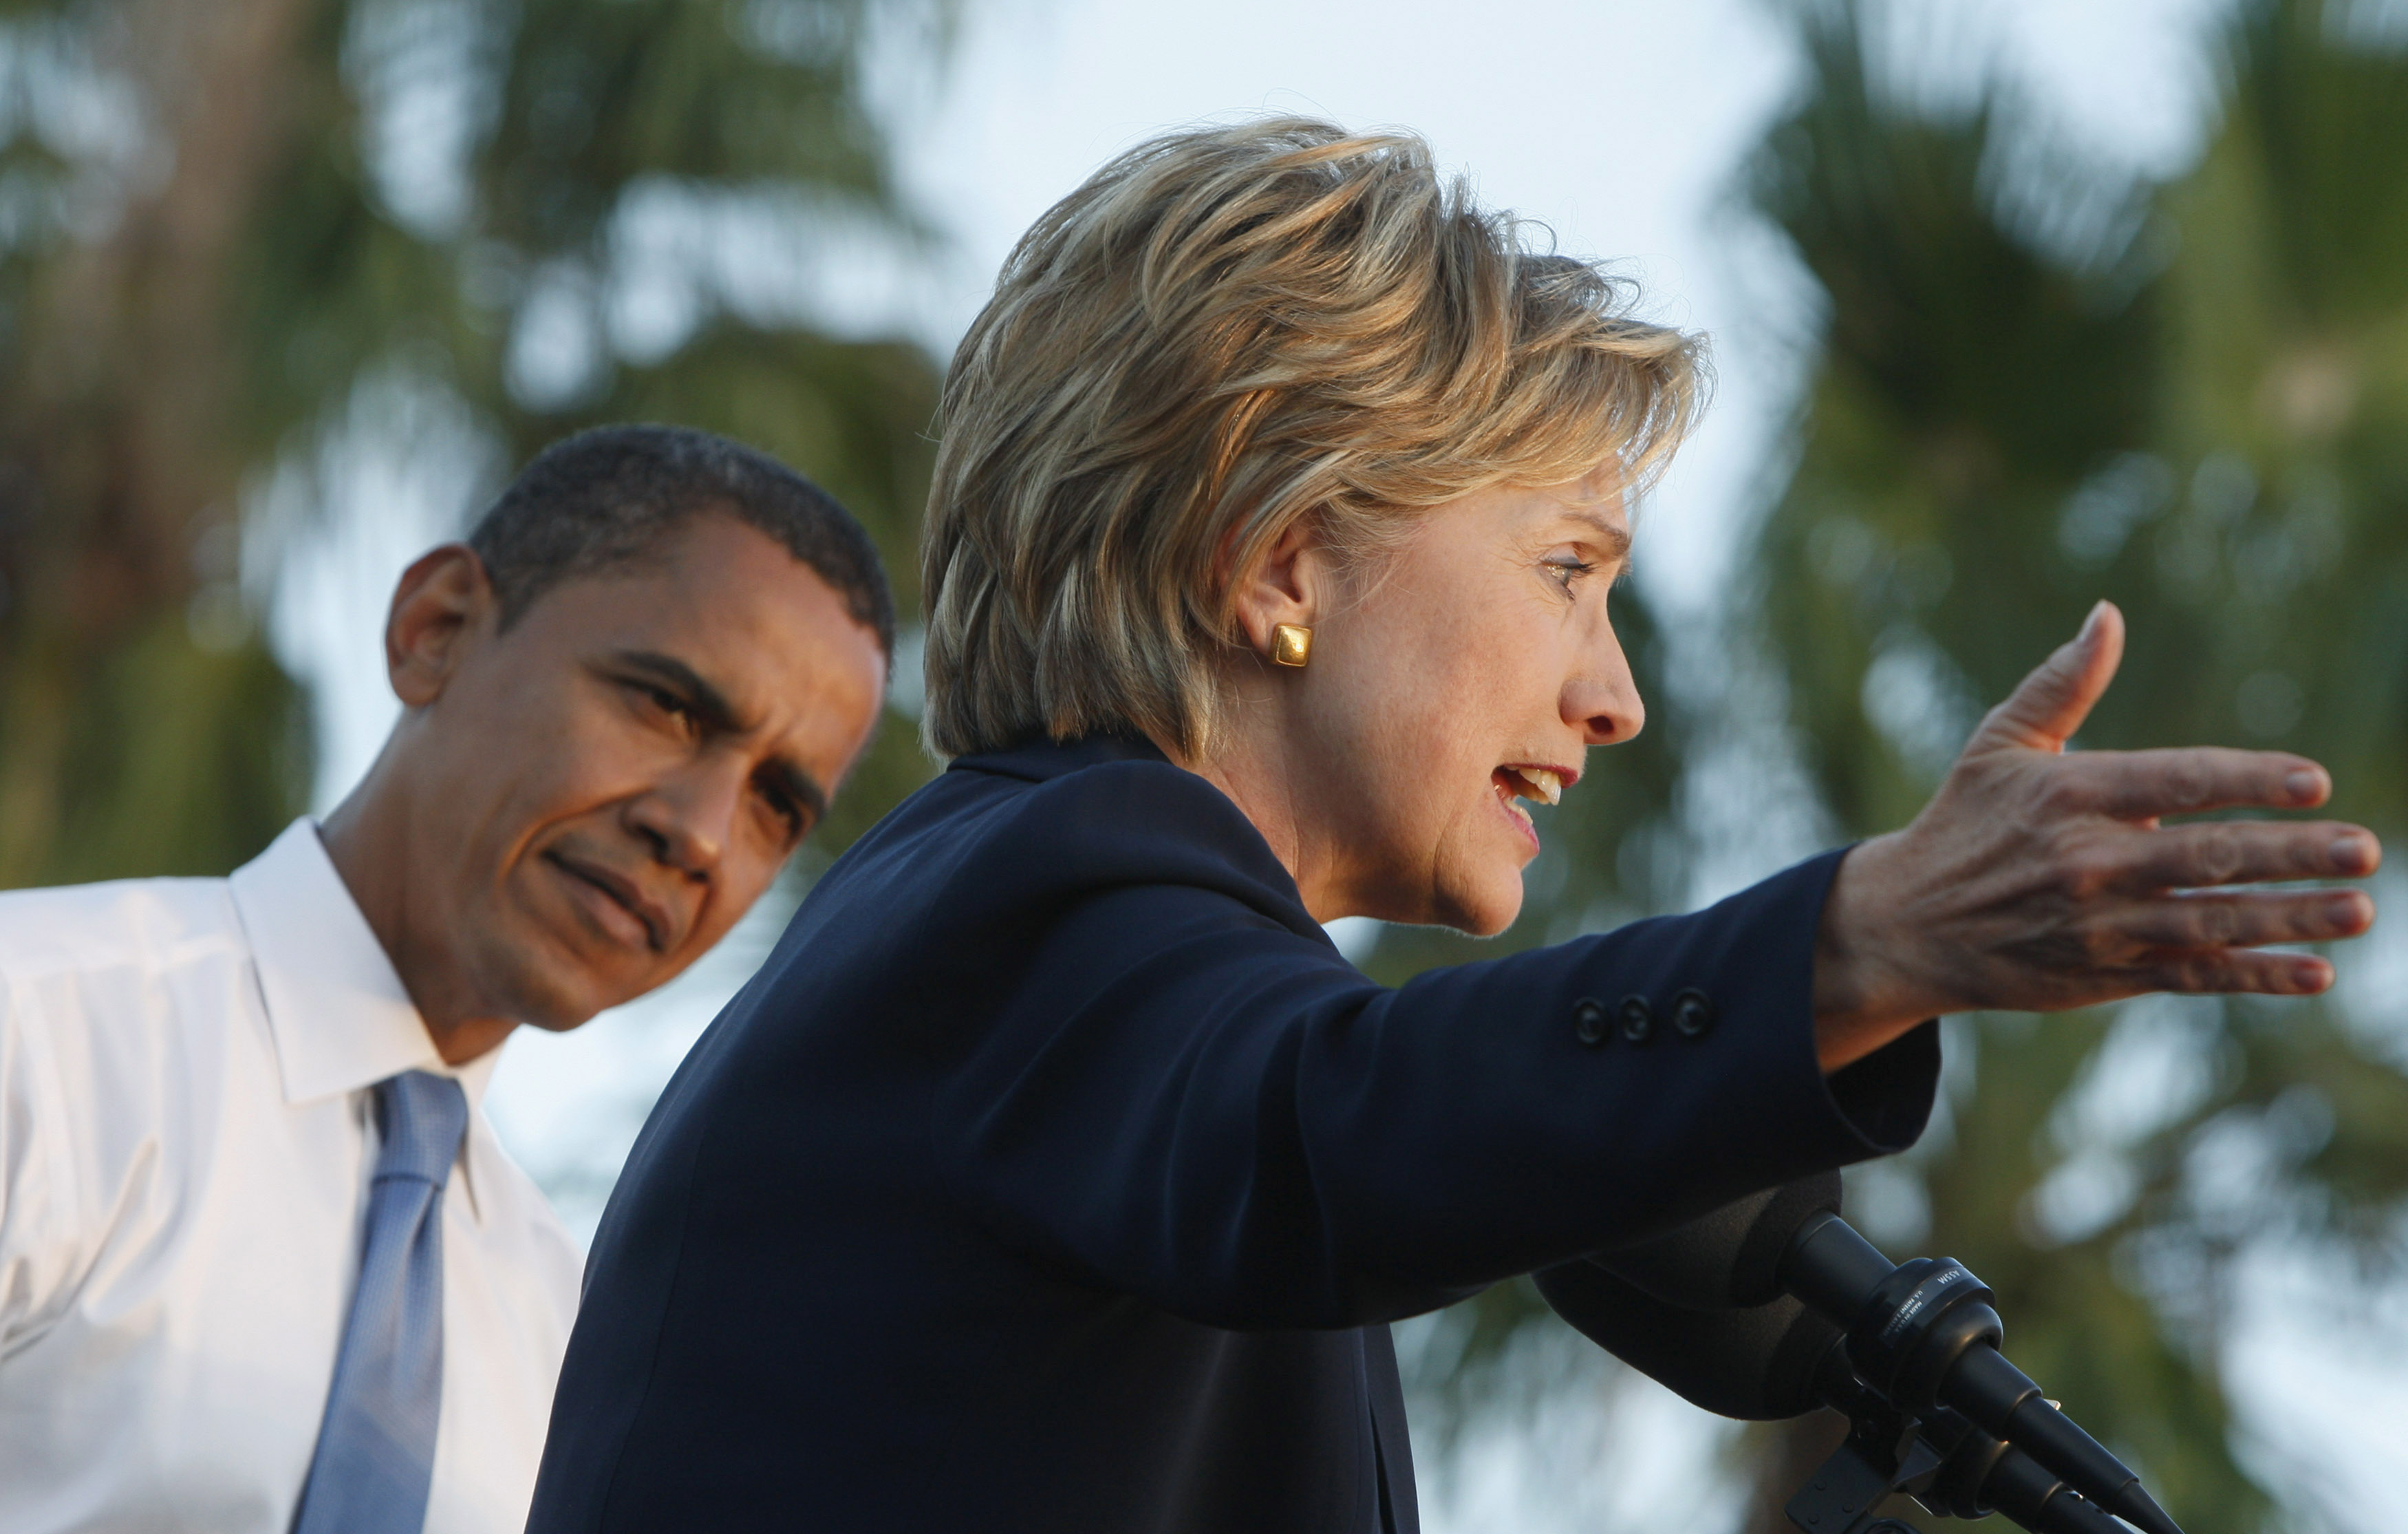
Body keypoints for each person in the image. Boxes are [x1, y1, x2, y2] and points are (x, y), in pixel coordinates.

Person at [526, 124, 2379, 1534]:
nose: (1614, 694)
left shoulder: (1104, 1006)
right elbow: (1324, 1123)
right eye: (1567, 569)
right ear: (1278, 564)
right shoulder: (1037, 893)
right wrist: (1859, 941)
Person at [0, 425, 893, 1534]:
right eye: (668, 706)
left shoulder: (565, 1347)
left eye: (777, 804)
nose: (703, 834)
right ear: (438, 630)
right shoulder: (39, 1038)